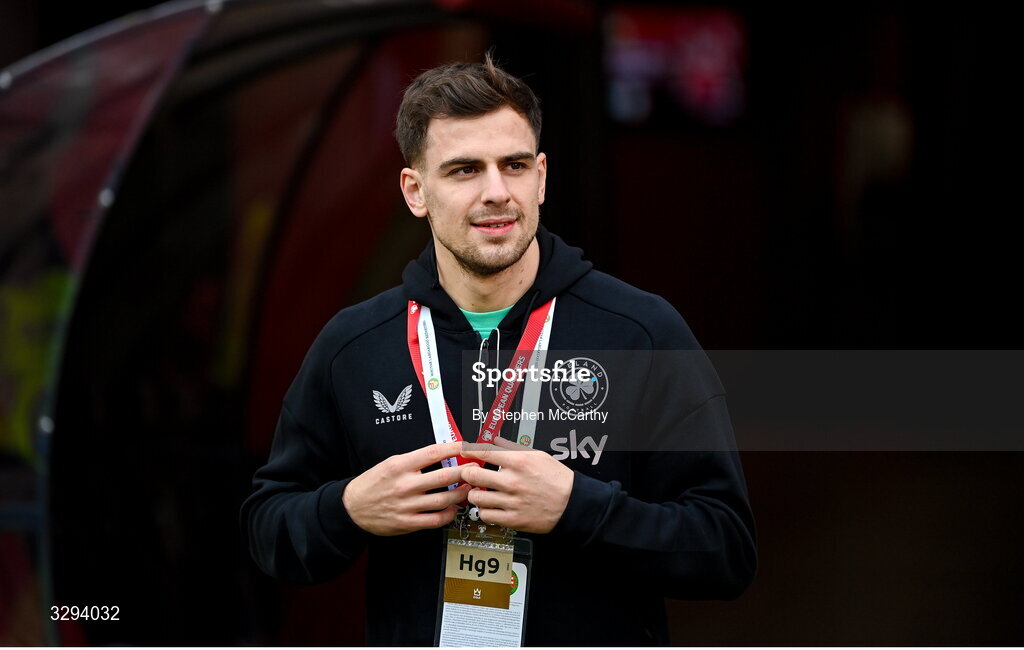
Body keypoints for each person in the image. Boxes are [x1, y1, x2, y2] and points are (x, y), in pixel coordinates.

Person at [241, 54, 756, 646]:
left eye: (513, 165)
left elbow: (727, 550)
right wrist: (348, 509)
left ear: (541, 176)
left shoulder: (640, 331)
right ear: (416, 191)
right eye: (463, 170)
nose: (496, 192)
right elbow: (267, 529)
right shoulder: (354, 347)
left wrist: (579, 508)